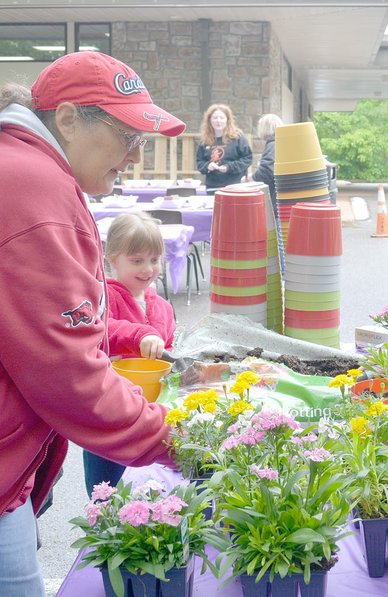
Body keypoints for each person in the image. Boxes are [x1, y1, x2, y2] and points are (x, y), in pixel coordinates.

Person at [0, 50, 184, 596]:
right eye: (127, 136)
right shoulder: (34, 188)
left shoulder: (25, 168)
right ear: (68, 119)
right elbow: (68, 371)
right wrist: (178, 437)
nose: (135, 155)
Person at [82, 212, 177, 496]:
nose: (148, 269)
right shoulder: (102, 298)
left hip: (149, 413)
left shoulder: (162, 306)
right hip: (109, 415)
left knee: (149, 487)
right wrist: (141, 335)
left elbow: (168, 348)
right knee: (107, 489)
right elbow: (105, 328)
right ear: (112, 259)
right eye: (137, 261)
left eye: (154, 260)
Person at [244, 113, 284, 272]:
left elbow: (267, 171)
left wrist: (251, 178)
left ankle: (281, 276)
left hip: (276, 200)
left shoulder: (272, 145)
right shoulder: (282, 143)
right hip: (284, 198)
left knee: (277, 241)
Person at [196, 103, 253, 192]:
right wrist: (208, 166)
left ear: (227, 120)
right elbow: (200, 163)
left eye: (222, 118)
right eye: (215, 118)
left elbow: (247, 159)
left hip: (235, 186)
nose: (218, 121)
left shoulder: (237, 137)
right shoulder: (204, 140)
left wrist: (229, 167)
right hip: (212, 187)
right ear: (209, 120)